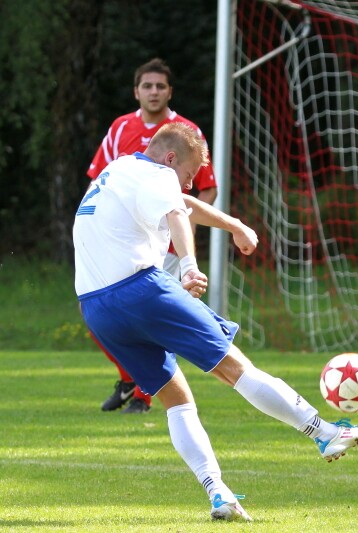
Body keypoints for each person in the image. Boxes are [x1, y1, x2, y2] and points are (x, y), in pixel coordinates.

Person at [73, 122, 358, 521]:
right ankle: (324, 432)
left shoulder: (121, 170)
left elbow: (182, 202)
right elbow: (177, 211)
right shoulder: (159, 175)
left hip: (95, 308)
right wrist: (189, 266)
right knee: (237, 369)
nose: (188, 184)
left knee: (177, 400)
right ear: (170, 159)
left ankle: (219, 494)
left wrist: (234, 225)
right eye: (188, 174)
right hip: (140, 290)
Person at [87, 58, 218, 414]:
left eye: (160, 86)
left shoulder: (186, 132)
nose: (154, 92)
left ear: (170, 92)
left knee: (154, 320)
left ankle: (143, 398)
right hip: (120, 242)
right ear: (137, 91)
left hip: (166, 245)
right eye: (147, 86)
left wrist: (185, 231)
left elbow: (205, 188)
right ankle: (130, 378)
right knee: (97, 317)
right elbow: (99, 179)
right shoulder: (120, 128)